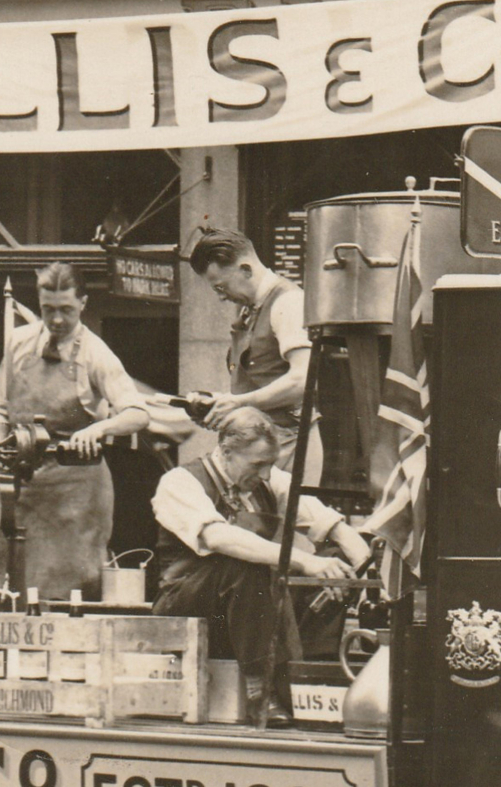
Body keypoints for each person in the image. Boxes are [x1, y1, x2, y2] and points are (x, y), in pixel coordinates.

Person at [151, 406, 371, 722]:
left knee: (333, 565)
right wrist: (305, 562)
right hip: (188, 605)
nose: (265, 474)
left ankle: (305, 677)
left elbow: (328, 522)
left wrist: (361, 566)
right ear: (226, 451)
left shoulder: (267, 481)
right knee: (248, 565)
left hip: (248, 612)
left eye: (270, 464)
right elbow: (217, 538)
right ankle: (260, 689)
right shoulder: (180, 481)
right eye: (257, 464)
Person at [0, 262, 150, 601]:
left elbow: (138, 414)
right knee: (12, 584)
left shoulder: (95, 354)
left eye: (66, 310)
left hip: (77, 495)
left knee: (69, 590)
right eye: (48, 309)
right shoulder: (18, 344)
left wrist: (101, 427)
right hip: (23, 486)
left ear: (83, 304)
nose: (57, 319)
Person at [188, 227, 323, 483]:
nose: (220, 297)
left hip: (287, 444)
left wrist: (238, 403)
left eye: (221, 287)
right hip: (261, 445)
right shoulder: (251, 310)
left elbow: (302, 381)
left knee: (286, 521)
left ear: (246, 270)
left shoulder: (288, 303)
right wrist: (222, 406)